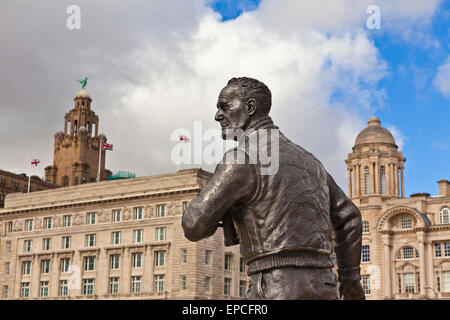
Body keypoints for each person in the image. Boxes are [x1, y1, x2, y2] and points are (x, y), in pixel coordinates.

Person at [182, 77, 365, 300]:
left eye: (224, 106)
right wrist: (350, 281)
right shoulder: (311, 162)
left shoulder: (241, 158)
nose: (217, 115)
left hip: (274, 288)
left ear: (249, 107)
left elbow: (194, 226)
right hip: (326, 287)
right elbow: (350, 217)